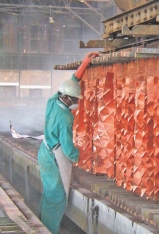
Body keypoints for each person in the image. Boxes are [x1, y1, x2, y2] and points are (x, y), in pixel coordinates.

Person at [38, 52, 99, 234]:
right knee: (57, 197)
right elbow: (67, 148)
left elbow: (72, 81)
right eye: (75, 100)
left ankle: (40, 224)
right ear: (67, 98)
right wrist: (85, 156)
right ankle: (48, 230)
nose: (76, 103)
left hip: (45, 151)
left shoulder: (53, 100)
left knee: (49, 192)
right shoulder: (65, 118)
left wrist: (85, 63)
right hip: (53, 157)